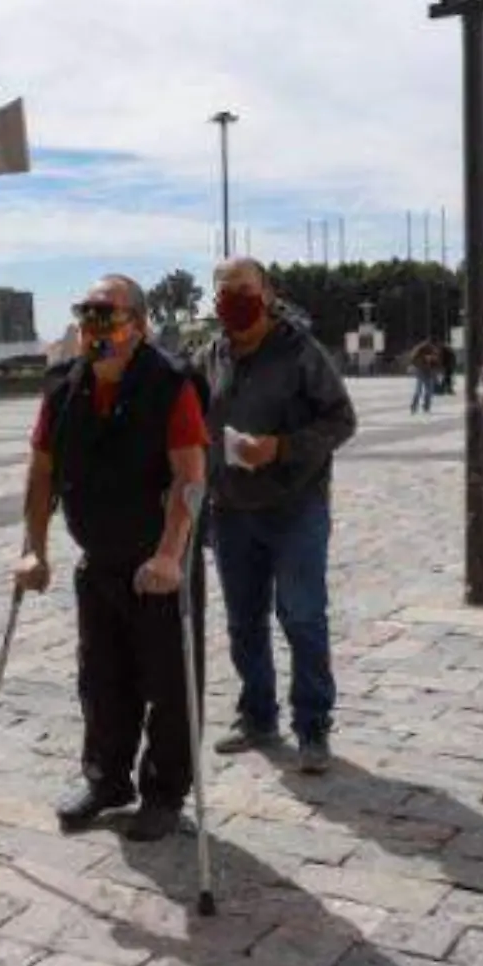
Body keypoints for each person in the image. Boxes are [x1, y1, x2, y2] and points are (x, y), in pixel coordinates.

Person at [16, 276, 207, 842]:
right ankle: (107, 780)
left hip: (159, 564)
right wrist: (34, 549)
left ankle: (165, 791)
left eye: (107, 314)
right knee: (100, 677)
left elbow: (190, 477)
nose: (95, 326)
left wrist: (171, 554)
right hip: (98, 559)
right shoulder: (62, 388)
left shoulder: (170, 384)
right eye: (87, 313)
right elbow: (42, 471)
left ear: (139, 326)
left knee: (169, 684)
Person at [200, 258, 356, 773]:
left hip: (295, 506)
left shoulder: (299, 350)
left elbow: (342, 419)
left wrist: (283, 447)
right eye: (224, 292)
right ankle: (257, 715)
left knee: (302, 616)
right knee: (244, 621)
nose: (233, 300)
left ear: (266, 293)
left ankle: (313, 727)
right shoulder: (212, 353)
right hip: (231, 512)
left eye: (244, 289)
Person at [406, 339, 441, 414]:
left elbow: (436, 363)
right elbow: (414, 358)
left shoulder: (434, 351)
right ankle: (415, 406)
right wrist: (423, 361)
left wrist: (435, 371)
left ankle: (426, 406)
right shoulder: (421, 349)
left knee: (429, 390)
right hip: (421, 370)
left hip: (429, 371)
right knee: (419, 390)